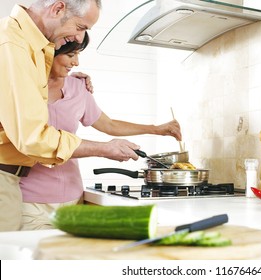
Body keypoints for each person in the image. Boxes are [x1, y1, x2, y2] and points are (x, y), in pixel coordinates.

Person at [0, 1, 155, 231]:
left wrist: (67, 79)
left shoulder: (30, 46)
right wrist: (104, 149)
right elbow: (33, 137)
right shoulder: (12, 44)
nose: (79, 38)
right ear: (58, 8)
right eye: (80, 27)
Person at [19, 33, 182, 230]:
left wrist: (158, 129)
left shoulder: (79, 87)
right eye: (71, 55)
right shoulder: (22, 87)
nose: (76, 62)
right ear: (50, 52)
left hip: (73, 199)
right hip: (31, 202)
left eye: (78, 55)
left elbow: (109, 125)